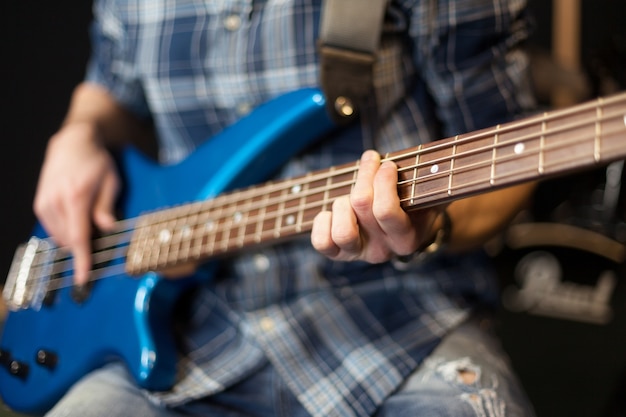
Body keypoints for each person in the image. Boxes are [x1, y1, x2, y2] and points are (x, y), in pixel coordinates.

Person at [32, 0, 537, 416]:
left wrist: (434, 225)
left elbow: (511, 155)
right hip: (191, 331)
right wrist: (80, 130)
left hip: (403, 324)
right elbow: (109, 89)